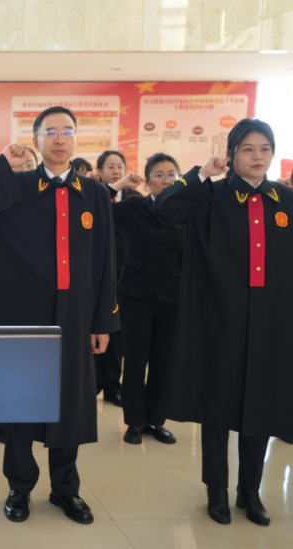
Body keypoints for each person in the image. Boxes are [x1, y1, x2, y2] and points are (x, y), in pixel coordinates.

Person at [0, 106, 118, 526]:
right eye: (51, 132)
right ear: (36, 140)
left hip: (76, 316)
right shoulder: (16, 186)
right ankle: (20, 486)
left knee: (70, 403)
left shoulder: (95, 193)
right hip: (22, 317)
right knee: (21, 403)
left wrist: (103, 321)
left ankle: (66, 488)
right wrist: (0, 168)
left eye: (67, 131)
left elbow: (105, 260)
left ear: (76, 138)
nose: (60, 138)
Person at [155, 118, 293, 527]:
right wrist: (200, 174)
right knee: (216, 406)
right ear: (232, 154)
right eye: (248, 149)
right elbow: (165, 208)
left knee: (261, 406)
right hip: (218, 320)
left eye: (264, 149)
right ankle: (216, 489)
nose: (257, 157)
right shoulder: (210, 194)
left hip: (271, 322)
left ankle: (249, 491)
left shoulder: (285, 200)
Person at [106, 154, 183, 445]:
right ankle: (134, 422)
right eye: (159, 175)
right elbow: (99, 209)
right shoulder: (134, 206)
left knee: (163, 363)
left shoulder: (188, 210)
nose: (166, 180)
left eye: (171, 175)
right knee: (136, 361)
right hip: (136, 294)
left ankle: (155, 421)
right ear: (148, 180)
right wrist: (119, 185)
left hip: (172, 295)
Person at [91, 150, 139, 407]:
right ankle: (92, 384)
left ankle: (112, 386)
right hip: (97, 273)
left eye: (120, 165)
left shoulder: (134, 198)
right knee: (95, 329)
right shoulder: (93, 194)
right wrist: (116, 186)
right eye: (110, 166)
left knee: (117, 332)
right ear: (99, 171)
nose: (117, 170)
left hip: (124, 274)